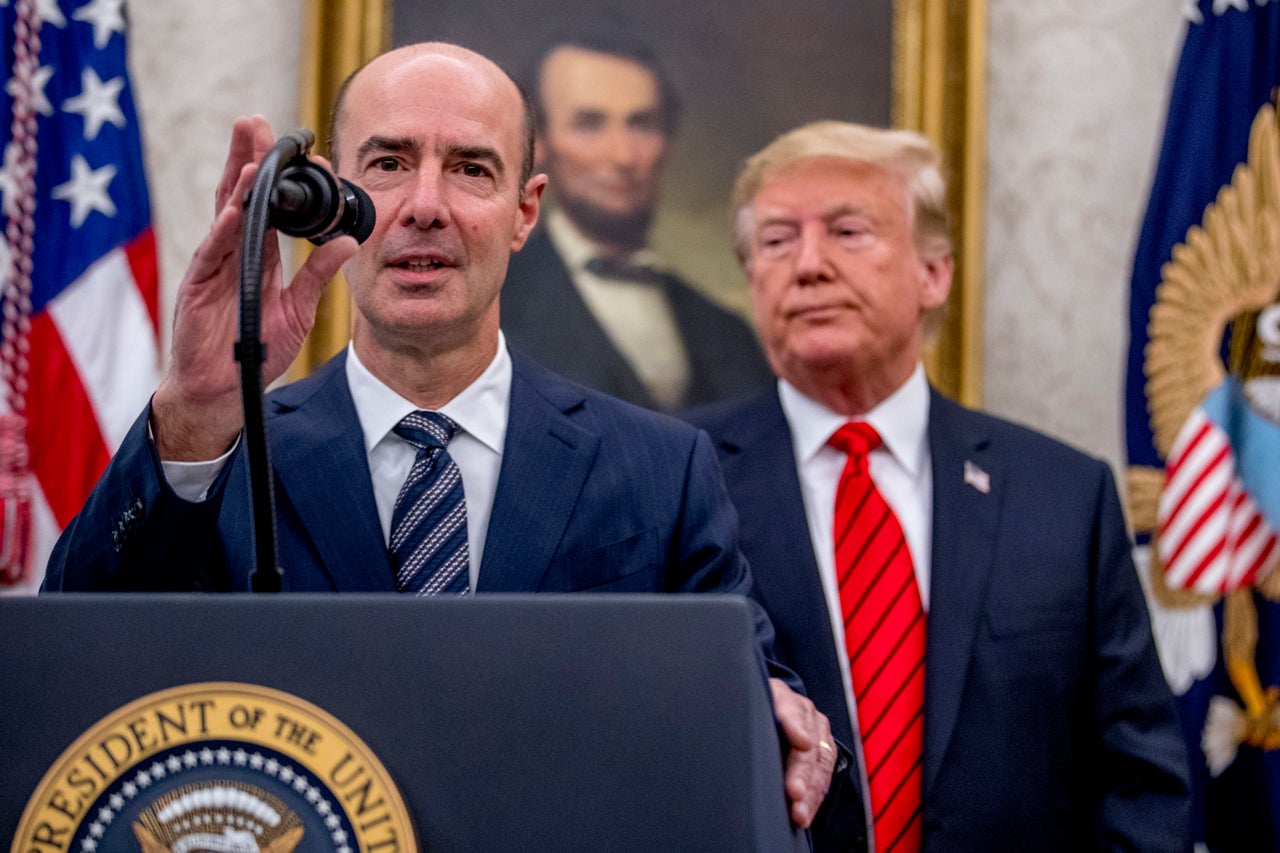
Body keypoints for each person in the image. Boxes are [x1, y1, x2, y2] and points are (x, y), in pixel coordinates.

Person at [41, 43, 837, 830]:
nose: (426, 204)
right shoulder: (225, 455)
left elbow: (748, 690)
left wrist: (766, 706)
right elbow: (70, 674)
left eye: (470, 168)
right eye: (387, 163)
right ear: (324, 200)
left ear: (525, 212)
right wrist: (194, 408)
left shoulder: (660, 468)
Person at [687, 121, 1191, 852]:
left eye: (848, 231)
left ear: (935, 273)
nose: (809, 264)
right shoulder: (677, 479)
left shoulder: (1063, 495)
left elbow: (1142, 783)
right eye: (775, 240)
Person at [501, 26, 772, 412]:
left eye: (641, 123)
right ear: (539, 142)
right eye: (590, 124)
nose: (624, 156)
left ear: (668, 138)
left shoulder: (726, 331)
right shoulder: (492, 309)